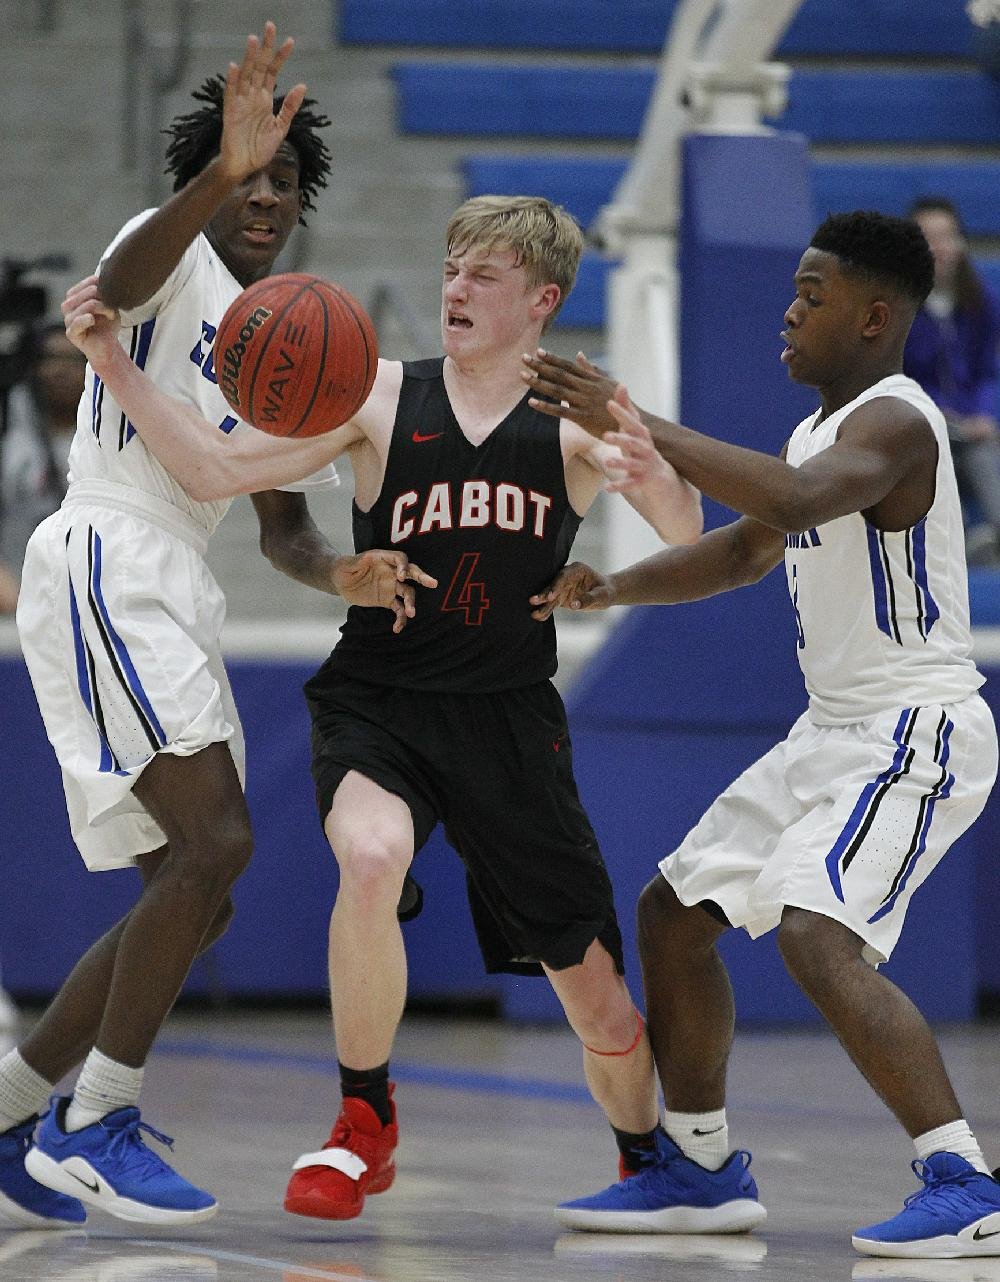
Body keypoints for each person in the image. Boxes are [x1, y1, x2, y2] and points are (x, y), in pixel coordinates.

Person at [60, 192, 704, 1222]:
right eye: (450, 267)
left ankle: (647, 1160)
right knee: (368, 858)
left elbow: (680, 524)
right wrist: (117, 366)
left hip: (507, 718)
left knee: (604, 1011)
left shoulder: (576, 422)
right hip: (382, 698)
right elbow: (215, 465)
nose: (455, 288)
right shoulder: (374, 398)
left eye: (482, 275)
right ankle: (364, 1118)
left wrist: (650, 462)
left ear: (541, 301)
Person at [0, 22, 430, 1233]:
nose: (268, 197)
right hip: (108, 551)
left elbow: (281, 523)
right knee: (216, 845)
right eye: (253, 174)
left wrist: (337, 570)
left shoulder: (280, 331)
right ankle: (99, 1118)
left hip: (178, 579)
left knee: (200, 889)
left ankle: (16, 1103)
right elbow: (128, 271)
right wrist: (217, 170)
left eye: (286, 183)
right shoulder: (168, 265)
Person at [521, 210, 1000, 1259]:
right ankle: (696, 1170)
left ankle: (965, 1180)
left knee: (814, 934)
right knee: (672, 912)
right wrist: (613, 588)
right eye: (791, 288)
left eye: (812, 294)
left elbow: (792, 498)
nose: (788, 310)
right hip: (832, 731)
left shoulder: (898, 422)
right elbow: (747, 547)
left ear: (874, 318)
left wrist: (633, 417)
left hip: (911, 728)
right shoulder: (815, 432)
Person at [903, 197, 1000, 565]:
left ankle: (993, 534)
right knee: (936, 455)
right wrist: (934, 410)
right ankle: (952, 539)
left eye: (946, 237)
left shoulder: (982, 303)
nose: (938, 247)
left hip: (969, 427)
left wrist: (982, 414)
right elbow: (895, 375)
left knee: (983, 453)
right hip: (923, 425)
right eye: (927, 238)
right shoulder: (898, 307)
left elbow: (986, 372)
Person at [0, 323, 86, 610]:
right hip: (12, 591)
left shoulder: (112, 442)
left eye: (73, 360)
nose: (60, 370)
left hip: (86, 594)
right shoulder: (9, 432)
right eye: (50, 359)